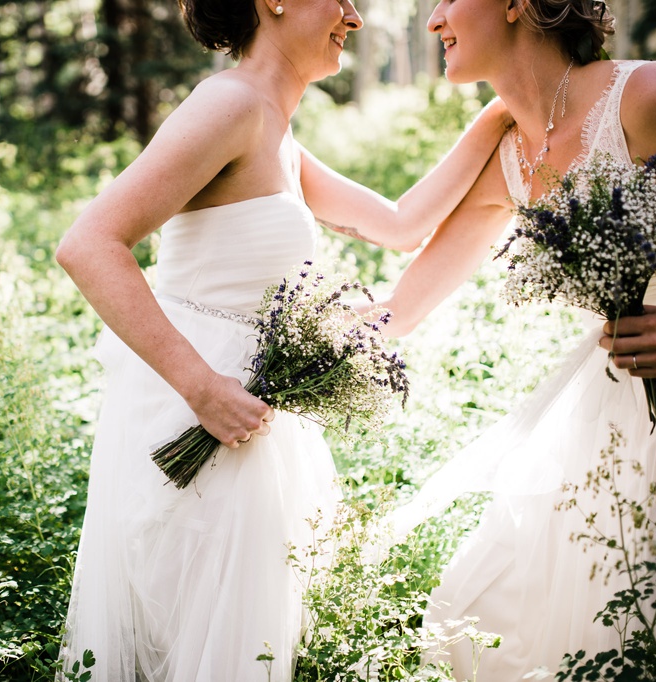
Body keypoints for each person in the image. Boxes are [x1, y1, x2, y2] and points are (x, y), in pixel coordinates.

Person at [53, 0, 513, 678]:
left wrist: (506, 113)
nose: (354, 18)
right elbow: (87, 244)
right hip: (197, 410)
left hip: (248, 421)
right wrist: (202, 387)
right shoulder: (230, 106)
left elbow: (399, 224)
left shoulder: (274, 124)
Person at [374, 0, 656, 679]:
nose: (433, 21)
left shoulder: (649, 96)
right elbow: (400, 307)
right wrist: (276, 363)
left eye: (448, 0)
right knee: (490, 613)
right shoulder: (510, 154)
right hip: (617, 413)